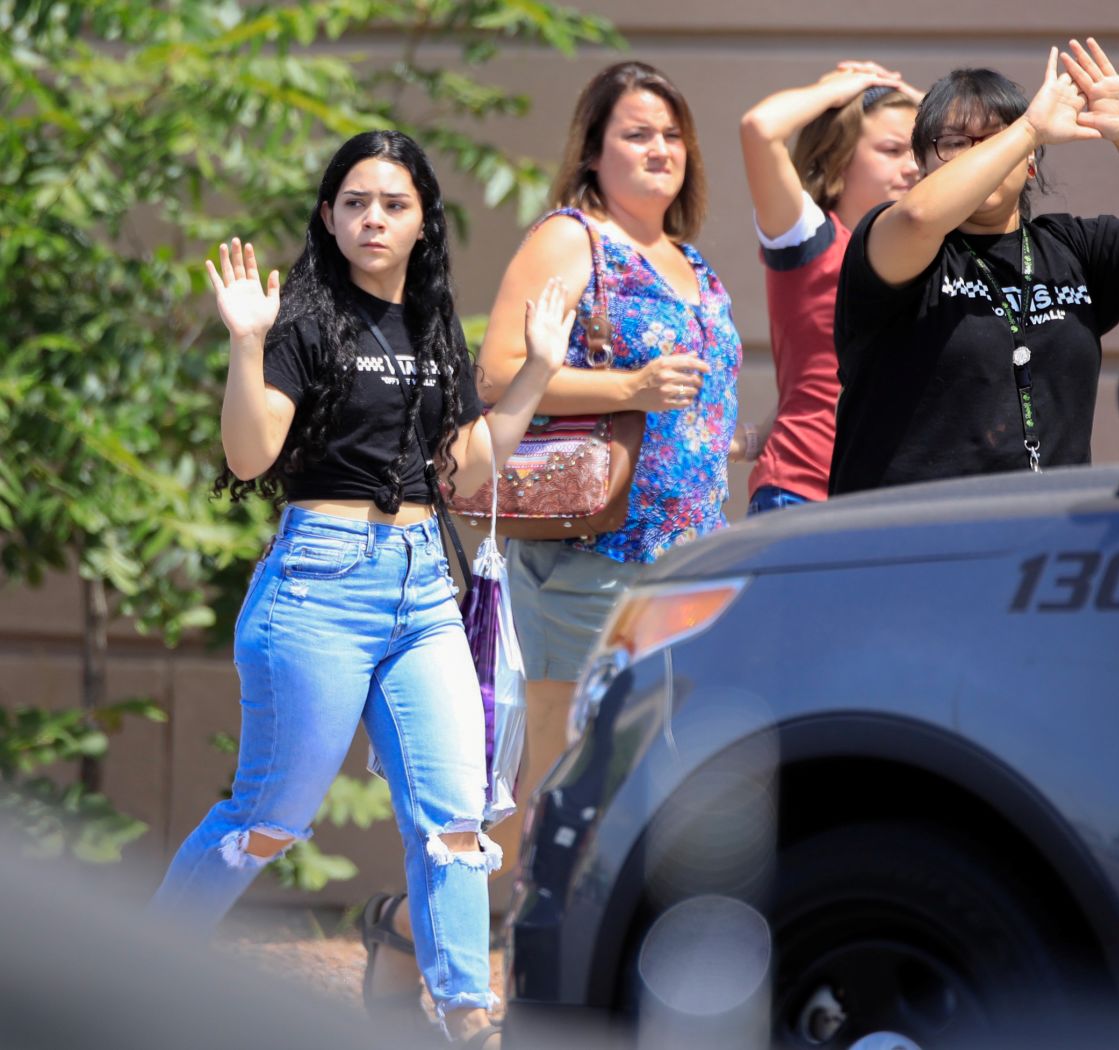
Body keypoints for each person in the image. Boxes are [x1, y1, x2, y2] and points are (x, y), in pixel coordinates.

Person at [149, 129, 574, 1050]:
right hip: (318, 589)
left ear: (424, 222)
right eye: (354, 202)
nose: (372, 218)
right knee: (268, 821)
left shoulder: (432, 330)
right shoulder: (301, 321)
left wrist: (538, 368)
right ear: (330, 219)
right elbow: (250, 454)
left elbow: (465, 467)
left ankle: (468, 1017)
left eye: (393, 204)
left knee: (455, 819)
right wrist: (245, 344)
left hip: (423, 592)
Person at [362, 60, 742, 1016]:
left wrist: (708, 433)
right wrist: (632, 390)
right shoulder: (575, 241)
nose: (658, 149)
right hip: (592, 562)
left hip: (689, 559)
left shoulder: (691, 260)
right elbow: (496, 375)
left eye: (671, 134)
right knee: (571, 786)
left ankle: (455, 942)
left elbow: (686, 393)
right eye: (636, 133)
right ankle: (492, 963)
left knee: (658, 777)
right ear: (594, 149)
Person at [829, 39, 1119, 494]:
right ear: (922, 165)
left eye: (994, 138)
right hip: (908, 535)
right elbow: (919, 217)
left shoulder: (1073, 248)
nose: (976, 154)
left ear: (1032, 165)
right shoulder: (892, 238)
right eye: (954, 143)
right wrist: (1028, 129)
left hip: (1041, 535)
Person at [735, 62, 922, 512]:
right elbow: (759, 128)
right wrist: (837, 89)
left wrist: (912, 97)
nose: (913, 167)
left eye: (917, 150)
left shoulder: (930, 250)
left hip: (897, 504)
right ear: (839, 159)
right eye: (892, 150)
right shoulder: (810, 235)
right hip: (804, 496)